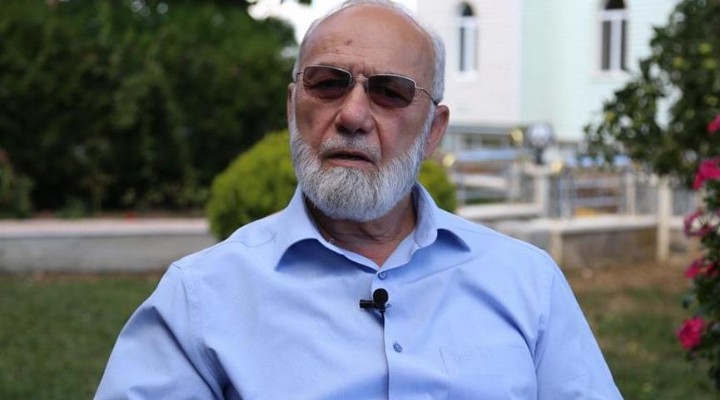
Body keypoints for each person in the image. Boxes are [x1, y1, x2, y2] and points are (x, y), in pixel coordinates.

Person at [95, 0, 623, 398]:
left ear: (433, 131)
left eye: (390, 92)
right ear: (292, 106)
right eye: (328, 83)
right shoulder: (201, 296)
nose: (352, 116)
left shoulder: (527, 282)